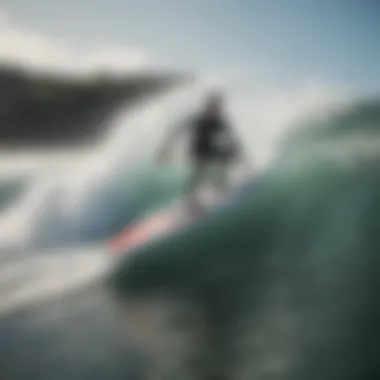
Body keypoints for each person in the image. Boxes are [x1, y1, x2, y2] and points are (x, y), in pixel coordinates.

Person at [155, 91, 248, 212]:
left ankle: (224, 190)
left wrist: (241, 156)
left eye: (217, 107)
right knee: (197, 180)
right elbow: (176, 131)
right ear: (207, 106)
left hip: (215, 155)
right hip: (200, 155)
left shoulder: (221, 122)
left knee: (224, 167)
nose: (215, 110)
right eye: (212, 106)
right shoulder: (198, 119)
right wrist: (165, 150)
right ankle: (191, 203)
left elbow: (233, 139)